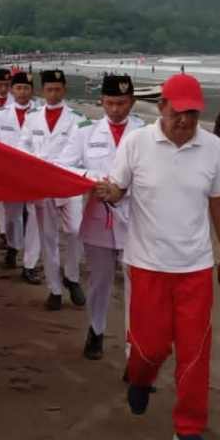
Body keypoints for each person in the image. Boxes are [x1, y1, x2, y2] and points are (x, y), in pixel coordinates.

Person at [93, 73, 220, 440]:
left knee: (194, 351)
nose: (185, 121)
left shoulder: (214, 148)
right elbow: (119, 189)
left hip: (195, 268)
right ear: (161, 108)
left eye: (192, 114)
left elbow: (219, 203)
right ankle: (141, 378)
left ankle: (188, 427)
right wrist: (110, 192)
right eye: (178, 113)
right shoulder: (137, 144)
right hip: (147, 265)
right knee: (148, 347)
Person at [60, 74, 144, 360]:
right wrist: (96, 180)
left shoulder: (145, 133)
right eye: (110, 103)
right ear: (102, 101)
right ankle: (96, 330)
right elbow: (66, 166)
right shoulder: (85, 132)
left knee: (137, 285)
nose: (116, 109)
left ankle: (135, 346)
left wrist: (121, 188)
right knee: (100, 280)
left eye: (122, 103)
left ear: (131, 101)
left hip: (136, 218)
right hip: (98, 216)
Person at [21, 69, 88, 311]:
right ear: (42, 91)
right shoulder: (32, 118)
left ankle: (72, 276)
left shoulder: (78, 119)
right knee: (48, 238)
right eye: (49, 89)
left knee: (75, 231)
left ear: (65, 89)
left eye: (58, 89)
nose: (53, 93)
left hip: (68, 184)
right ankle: (55, 289)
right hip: (42, 185)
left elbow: (81, 152)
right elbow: (24, 147)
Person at [0, 70, 41, 276]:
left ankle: (30, 264)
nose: (23, 92)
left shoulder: (40, 115)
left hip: (34, 174)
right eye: (18, 88)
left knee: (35, 217)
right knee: (12, 217)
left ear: (32, 91)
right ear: (12, 90)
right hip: (9, 174)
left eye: (27, 88)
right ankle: (13, 246)